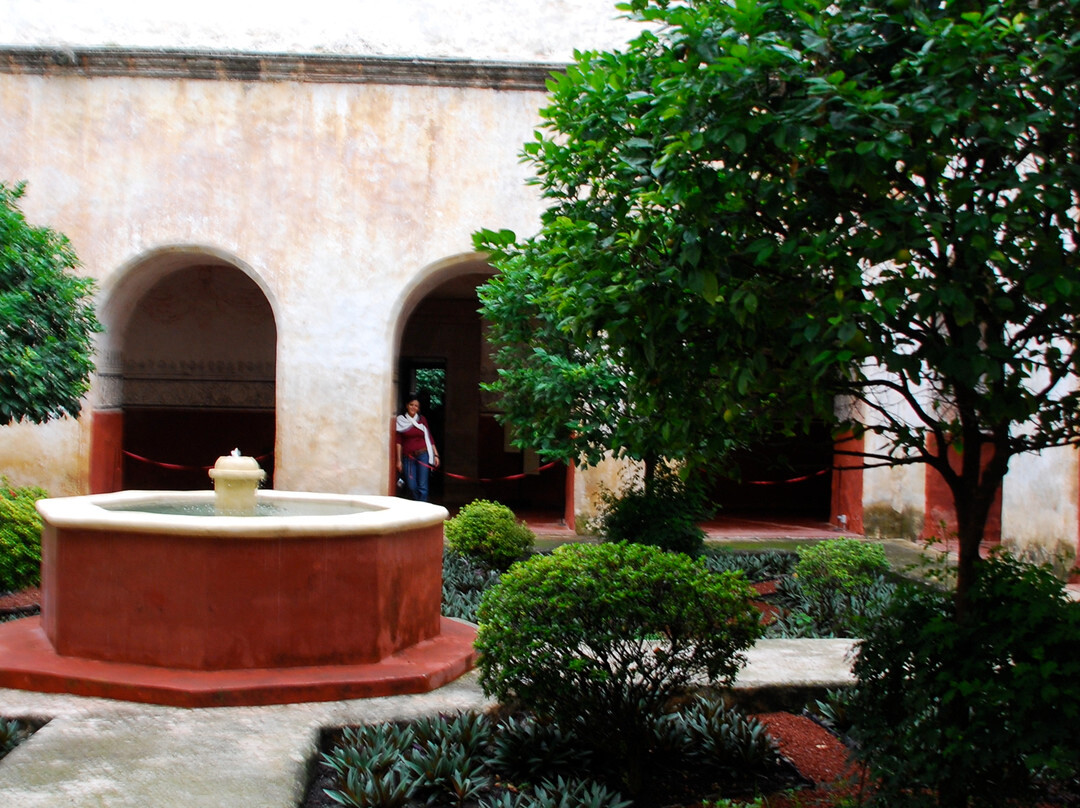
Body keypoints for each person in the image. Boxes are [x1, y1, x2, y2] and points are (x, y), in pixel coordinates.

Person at [395, 395, 439, 501]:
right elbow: (398, 441)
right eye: (411, 405)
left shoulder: (422, 420)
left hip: (423, 455)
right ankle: (417, 505)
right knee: (411, 486)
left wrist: (435, 454)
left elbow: (429, 437)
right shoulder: (400, 421)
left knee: (423, 486)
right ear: (407, 405)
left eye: (416, 406)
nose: (413, 407)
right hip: (408, 458)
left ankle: (423, 510)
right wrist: (398, 460)